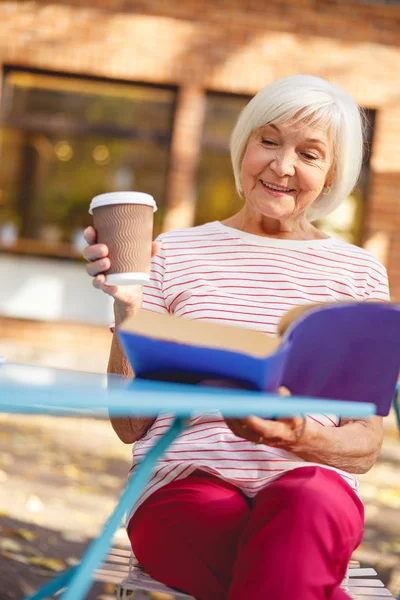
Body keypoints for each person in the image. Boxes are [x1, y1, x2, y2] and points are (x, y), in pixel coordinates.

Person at [83, 74, 389, 600]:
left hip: (313, 492)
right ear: (243, 145)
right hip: (186, 489)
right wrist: (126, 305)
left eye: (309, 154)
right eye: (268, 141)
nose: (282, 165)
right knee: (283, 560)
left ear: (332, 173)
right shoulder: (171, 253)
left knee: (309, 502)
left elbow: (363, 445)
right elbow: (130, 426)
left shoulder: (360, 273)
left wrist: (298, 438)